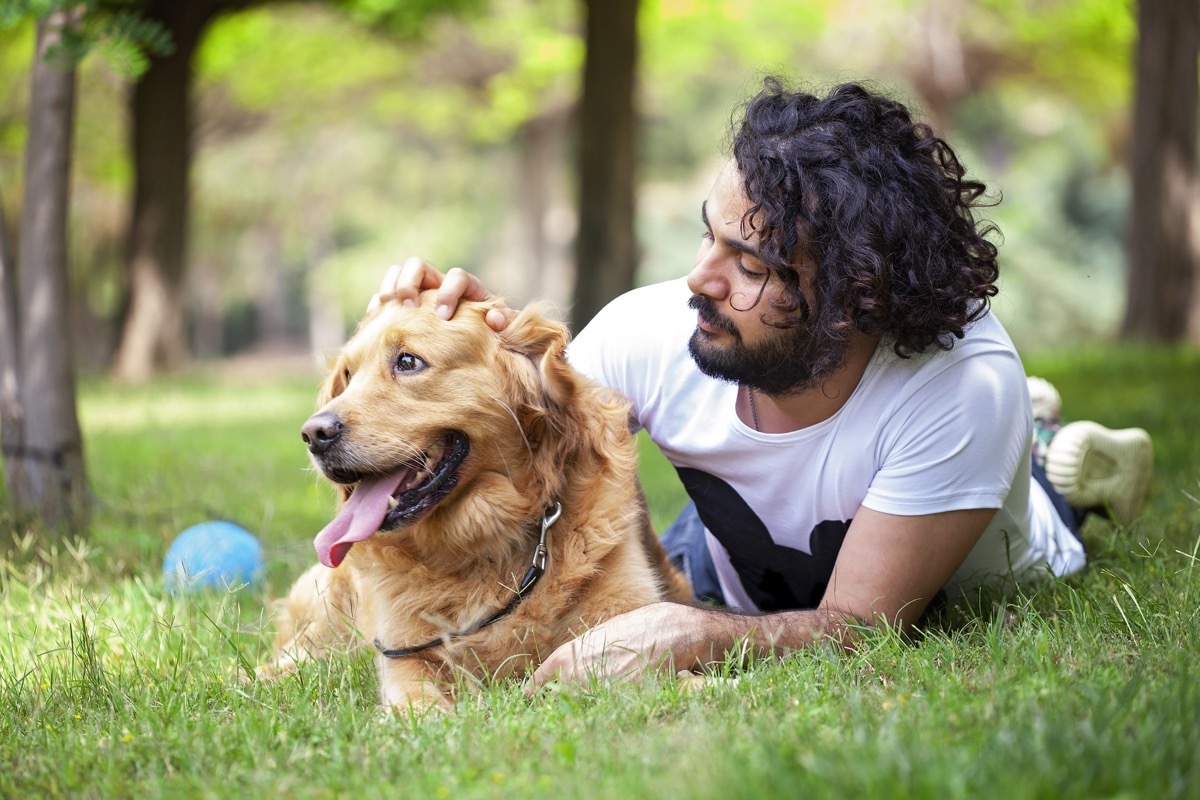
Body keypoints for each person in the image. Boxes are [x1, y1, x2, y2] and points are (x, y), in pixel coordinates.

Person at [369, 78, 1153, 688]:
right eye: (709, 235)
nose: (698, 280)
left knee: (1018, 464)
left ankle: (1048, 457)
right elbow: (533, 417)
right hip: (732, 566)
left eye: (751, 265)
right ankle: (1033, 434)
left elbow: (861, 629)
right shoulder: (656, 331)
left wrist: (696, 635)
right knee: (688, 561)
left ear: (859, 297)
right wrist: (465, 336)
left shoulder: (960, 390)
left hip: (997, 554)